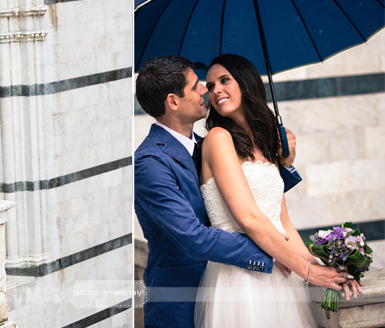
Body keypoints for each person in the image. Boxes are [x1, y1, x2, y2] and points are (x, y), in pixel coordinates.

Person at [134, 56, 351, 328]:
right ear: (173, 102)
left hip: (247, 286)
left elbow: (257, 196)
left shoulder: (207, 144)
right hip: (185, 299)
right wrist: (275, 255)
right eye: (197, 86)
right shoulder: (149, 163)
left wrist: (285, 164)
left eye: (219, 81)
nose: (206, 90)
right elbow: (194, 237)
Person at [194, 54, 362, 327]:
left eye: (224, 80)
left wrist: (323, 267)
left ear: (246, 83)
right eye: (210, 86)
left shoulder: (267, 144)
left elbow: (283, 223)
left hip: (280, 274)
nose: (216, 91)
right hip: (242, 277)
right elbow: (249, 219)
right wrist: (308, 272)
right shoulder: (218, 138)